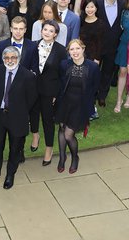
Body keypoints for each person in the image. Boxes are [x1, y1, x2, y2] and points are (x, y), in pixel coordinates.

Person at [0, 46, 37, 189]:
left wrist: (20, 111)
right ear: (3, 59)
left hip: (17, 117)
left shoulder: (28, 76)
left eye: (13, 57)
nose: (10, 60)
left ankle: (10, 174)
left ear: (18, 59)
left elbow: (32, 98)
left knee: (14, 149)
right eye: (7, 58)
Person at [55, 40, 100, 174]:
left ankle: (75, 157)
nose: (75, 52)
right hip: (64, 103)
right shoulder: (64, 64)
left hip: (80, 105)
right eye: (71, 49)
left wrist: (89, 104)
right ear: (68, 52)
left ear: (83, 49)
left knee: (69, 135)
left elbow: (96, 86)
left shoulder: (92, 67)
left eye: (77, 48)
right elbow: (60, 83)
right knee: (62, 128)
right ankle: (62, 157)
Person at [31, 20, 68, 166]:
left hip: (49, 90)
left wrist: (56, 94)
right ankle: (35, 136)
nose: (47, 33)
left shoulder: (60, 50)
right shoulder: (33, 45)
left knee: (47, 119)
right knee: (32, 114)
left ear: (56, 34)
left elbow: (62, 75)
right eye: (45, 29)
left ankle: (49, 148)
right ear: (41, 31)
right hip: (33, 88)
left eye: (51, 31)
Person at [96, 0, 124, 106]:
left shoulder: (123, 5)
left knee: (107, 72)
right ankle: (91, 94)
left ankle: (102, 96)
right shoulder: (97, 3)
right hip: (97, 45)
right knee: (94, 71)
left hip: (113, 46)